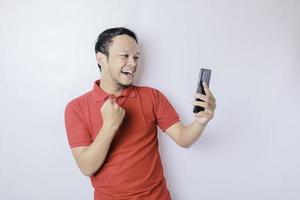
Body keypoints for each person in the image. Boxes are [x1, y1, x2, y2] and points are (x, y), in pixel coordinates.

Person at [64, 27, 216, 200]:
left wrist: (201, 121)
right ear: (101, 59)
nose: (133, 63)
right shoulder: (76, 108)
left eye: (136, 57)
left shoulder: (152, 96)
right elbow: (87, 167)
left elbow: (183, 138)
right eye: (125, 56)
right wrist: (109, 126)